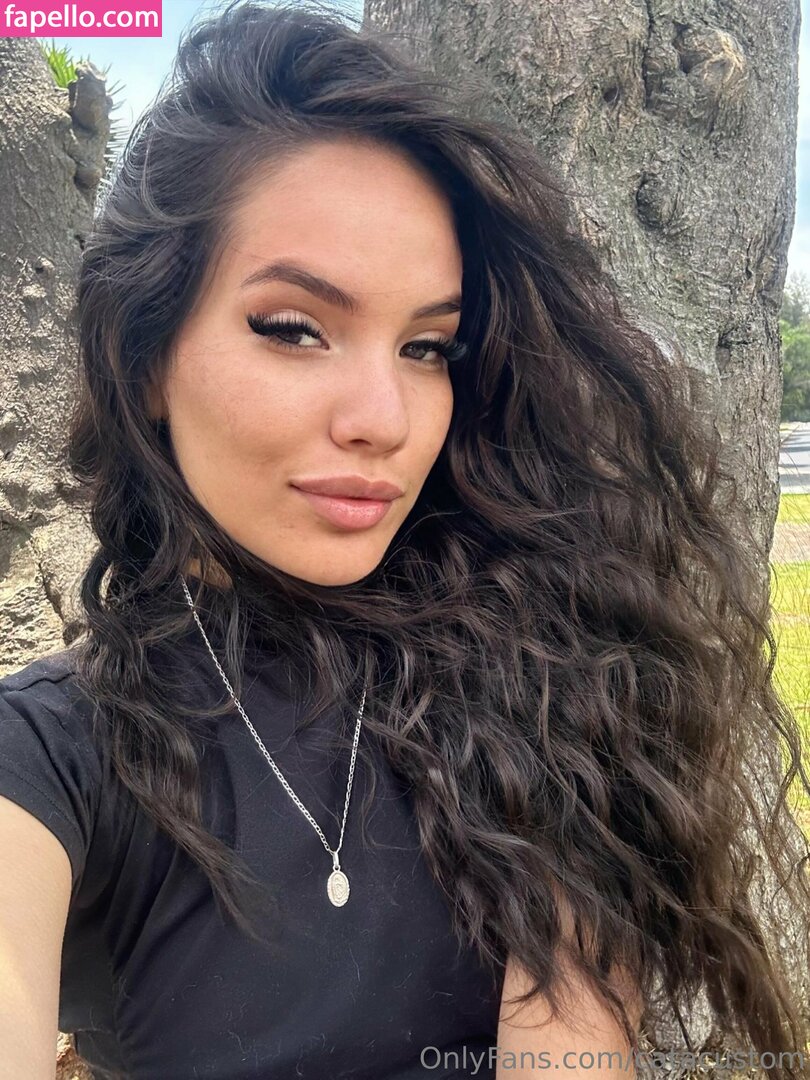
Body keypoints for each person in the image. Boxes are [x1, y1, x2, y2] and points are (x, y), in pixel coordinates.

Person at [1, 0, 808, 1077]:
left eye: (429, 347)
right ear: (146, 356)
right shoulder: (51, 754)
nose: (385, 418)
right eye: (295, 329)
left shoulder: (535, 682)